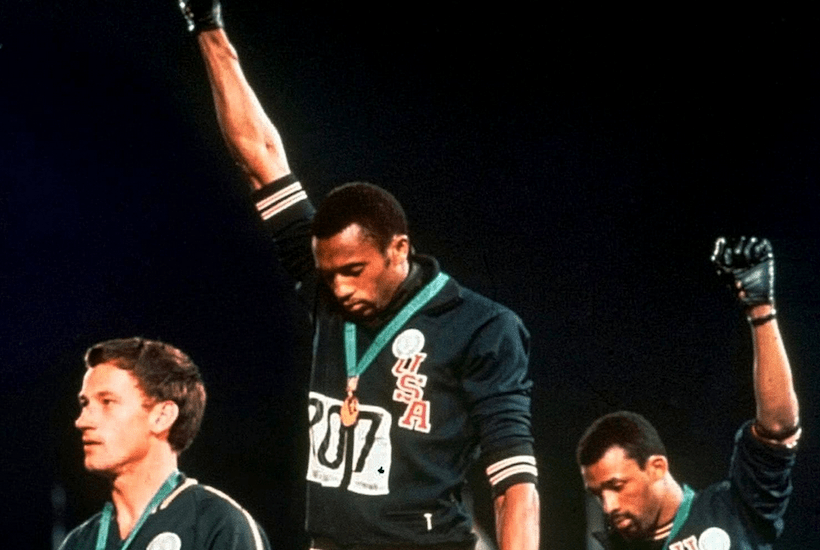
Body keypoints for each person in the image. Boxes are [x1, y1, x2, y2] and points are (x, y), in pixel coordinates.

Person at [173, 2, 540, 549]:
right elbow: (260, 157)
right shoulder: (327, 286)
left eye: (354, 271)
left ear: (399, 249)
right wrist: (206, 25)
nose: (340, 289)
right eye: (329, 274)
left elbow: (514, 484)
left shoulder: (482, 327)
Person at [577, 236, 800, 550]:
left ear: (657, 467)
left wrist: (761, 310)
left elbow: (778, 429)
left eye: (616, 486)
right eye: (598, 494)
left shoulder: (731, 511)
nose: (609, 506)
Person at [59, 337, 272, 550]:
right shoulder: (78, 542)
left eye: (107, 402)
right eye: (85, 404)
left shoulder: (219, 525)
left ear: (162, 416)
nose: (81, 421)